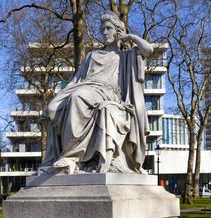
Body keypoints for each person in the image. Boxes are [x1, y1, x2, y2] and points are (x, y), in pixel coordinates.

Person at [41, 11, 154, 174]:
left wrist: (129, 37)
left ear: (117, 31)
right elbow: (77, 80)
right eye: (102, 30)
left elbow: (148, 50)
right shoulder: (92, 55)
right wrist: (59, 97)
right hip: (85, 87)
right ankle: (70, 158)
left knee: (77, 98)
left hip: (107, 93)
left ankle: (71, 156)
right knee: (53, 109)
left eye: (109, 28)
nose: (105, 33)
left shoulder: (124, 56)